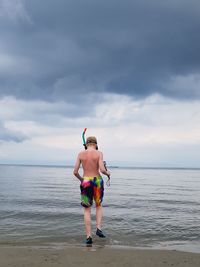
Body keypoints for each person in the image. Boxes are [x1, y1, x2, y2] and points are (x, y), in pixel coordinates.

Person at [73, 136, 110, 245]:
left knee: (87, 209)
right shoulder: (99, 153)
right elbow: (102, 170)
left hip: (86, 181)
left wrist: (82, 180)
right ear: (95, 144)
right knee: (98, 206)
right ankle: (98, 228)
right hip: (97, 181)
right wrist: (108, 173)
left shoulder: (80, 154)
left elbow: (75, 172)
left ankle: (89, 237)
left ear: (87, 144)